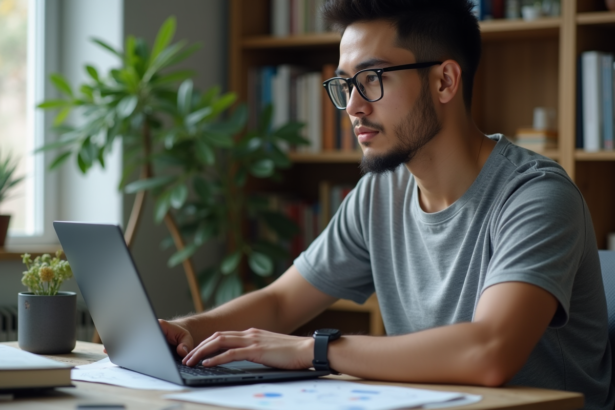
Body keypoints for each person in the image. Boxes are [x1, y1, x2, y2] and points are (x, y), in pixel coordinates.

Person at [159, 1, 613, 408]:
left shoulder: (535, 196)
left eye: (371, 79)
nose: (352, 106)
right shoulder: (380, 194)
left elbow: (488, 352)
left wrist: (313, 350)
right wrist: (185, 332)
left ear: (444, 81)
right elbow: (281, 303)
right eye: (344, 84)